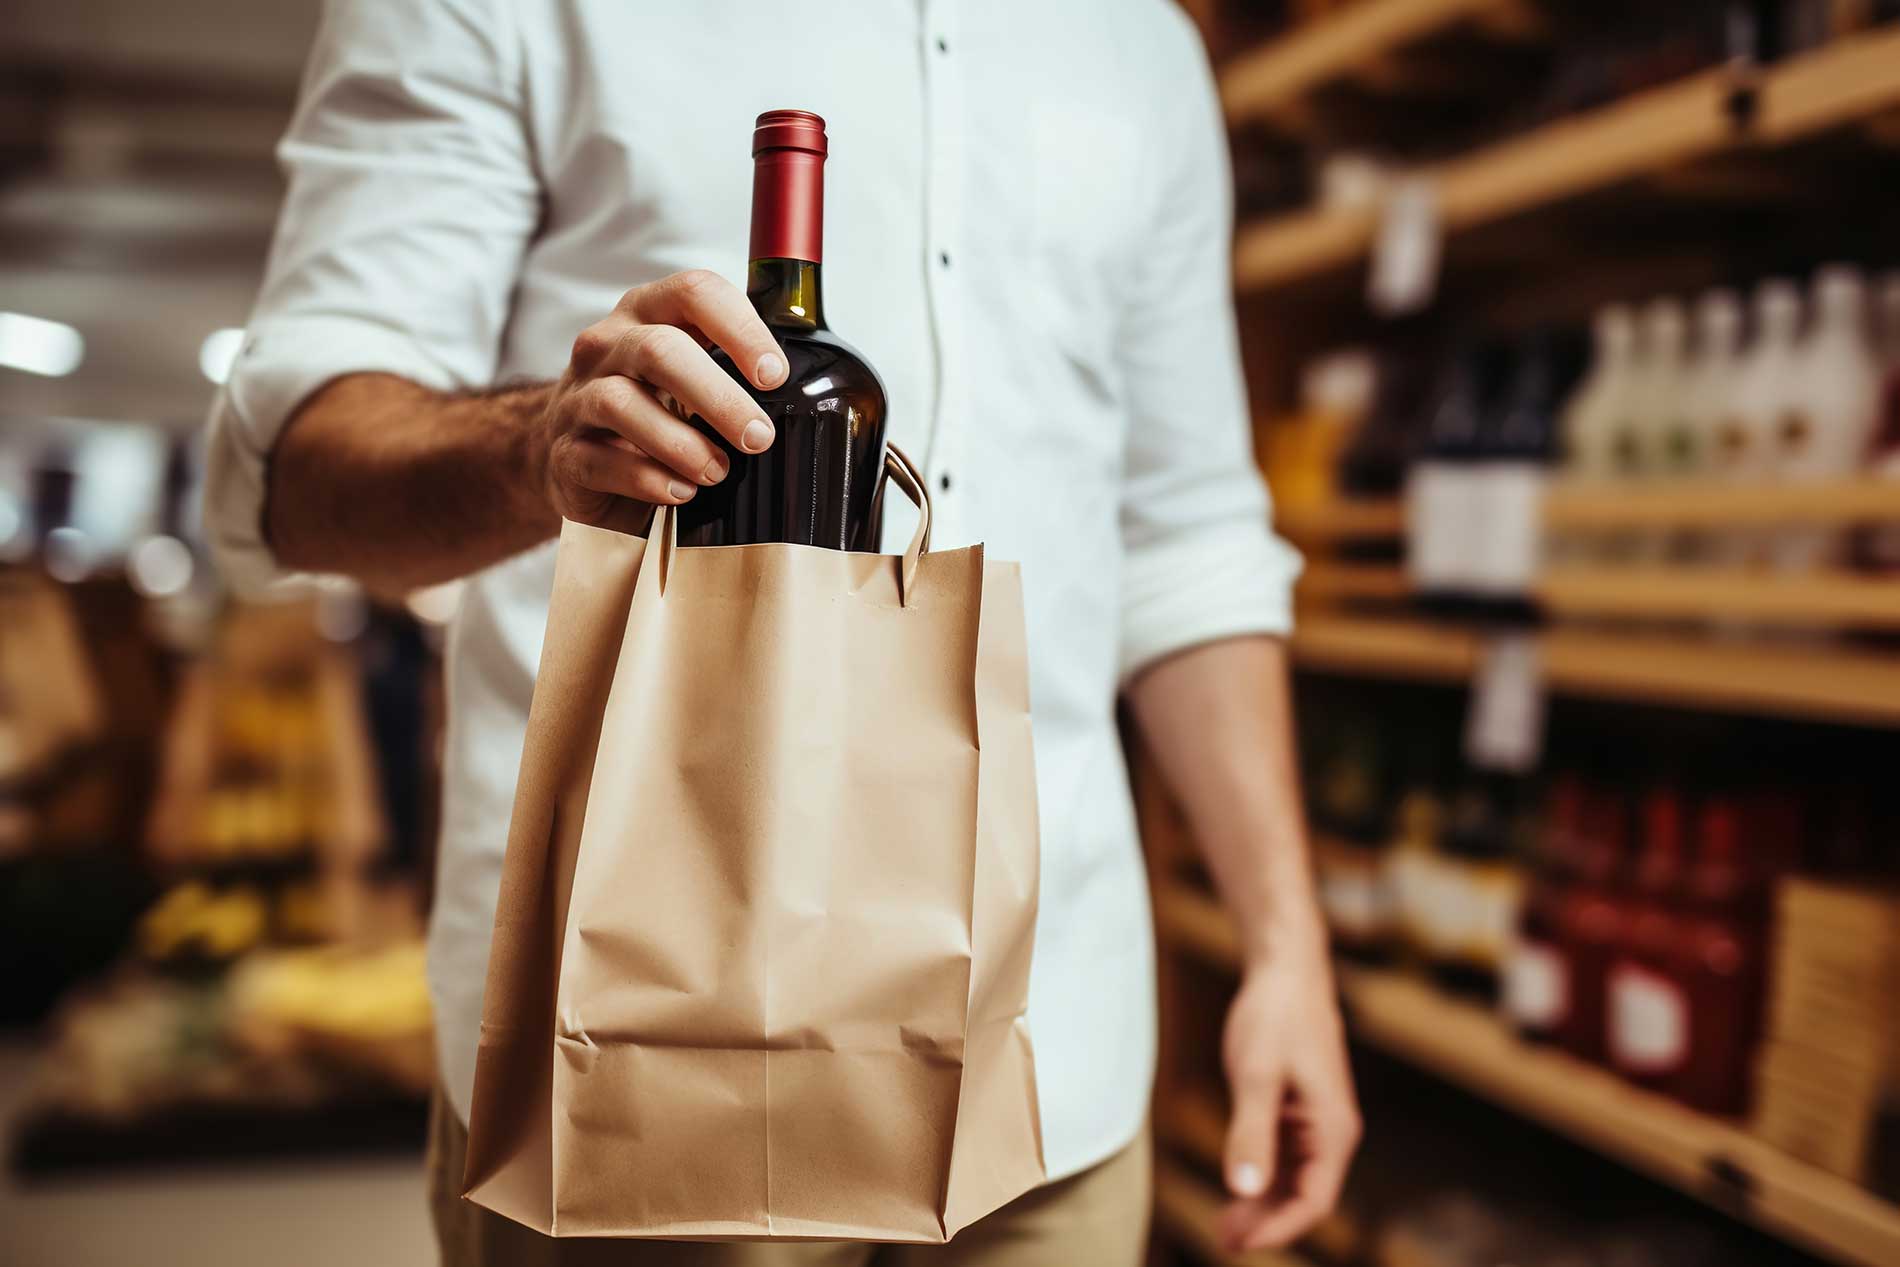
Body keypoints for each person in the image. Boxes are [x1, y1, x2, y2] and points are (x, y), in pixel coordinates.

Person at [203, 2, 1359, 1263]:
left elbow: (1184, 533)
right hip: (642, 1055)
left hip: (1048, 1062)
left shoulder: (1141, 40)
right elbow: (292, 473)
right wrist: (537, 445)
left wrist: (1285, 951)